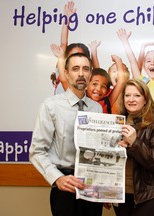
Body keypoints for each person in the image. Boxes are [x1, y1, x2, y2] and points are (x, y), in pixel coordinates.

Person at [29, 52, 103, 216]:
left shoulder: (97, 108)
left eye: (85, 69)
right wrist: (57, 178)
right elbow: (37, 151)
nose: (81, 74)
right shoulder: (50, 106)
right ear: (67, 74)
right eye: (75, 69)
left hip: (92, 186)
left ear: (91, 73)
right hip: (65, 186)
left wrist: (105, 185)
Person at [113, 79, 154, 216]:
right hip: (121, 195)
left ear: (145, 100)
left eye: (137, 95)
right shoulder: (116, 124)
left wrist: (135, 142)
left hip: (150, 196)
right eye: (127, 95)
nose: (131, 99)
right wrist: (106, 191)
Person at [117, 28, 154, 125]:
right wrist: (125, 41)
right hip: (146, 130)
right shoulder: (142, 82)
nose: (152, 63)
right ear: (144, 67)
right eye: (148, 61)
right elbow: (132, 60)